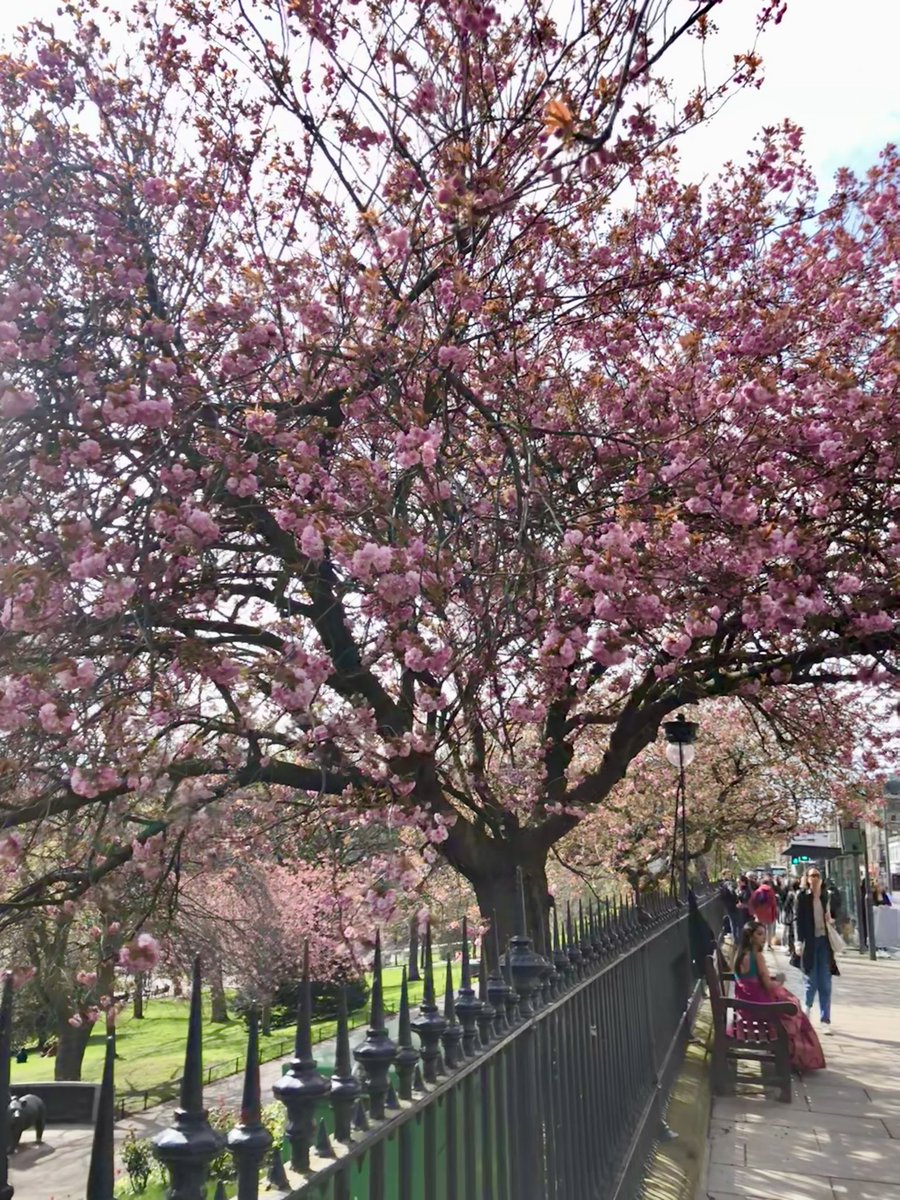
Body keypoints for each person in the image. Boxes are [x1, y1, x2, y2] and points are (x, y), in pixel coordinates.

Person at [731, 920, 825, 1072]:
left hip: (744, 1005)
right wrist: (780, 980)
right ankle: (794, 1056)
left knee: (790, 1003)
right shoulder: (757, 957)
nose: (763, 937)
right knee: (793, 1010)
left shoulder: (739, 955)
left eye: (764, 934)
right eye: (759, 934)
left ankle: (789, 1052)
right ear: (750, 937)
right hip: (759, 1007)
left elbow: (751, 981)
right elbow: (768, 985)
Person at [795, 868, 840, 1034]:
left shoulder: (825, 896)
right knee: (811, 980)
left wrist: (831, 918)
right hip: (810, 943)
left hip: (824, 943)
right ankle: (807, 1009)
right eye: (811, 876)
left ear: (821, 879)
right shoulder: (802, 897)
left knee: (826, 983)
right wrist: (798, 942)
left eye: (817, 876)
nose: (814, 879)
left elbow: (833, 915)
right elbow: (798, 920)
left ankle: (825, 1020)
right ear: (806, 879)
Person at [749, 875, 778, 949]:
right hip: (769, 913)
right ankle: (768, 945)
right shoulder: (771, 891)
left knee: (759, 929)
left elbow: (752, 902)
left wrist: (753, 912)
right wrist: (775, 913)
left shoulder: (758, 891)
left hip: (759, 914)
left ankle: (758, 943)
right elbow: (774, 903)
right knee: (769, 930)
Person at [782, 877, 800, 957]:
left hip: (791, 916)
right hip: (799, 916)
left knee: (791, 934)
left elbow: (786, 906)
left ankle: (791, 949)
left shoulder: (790, 894)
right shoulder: (800, 893)